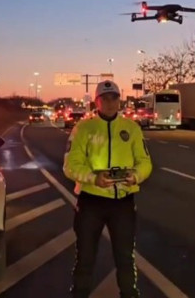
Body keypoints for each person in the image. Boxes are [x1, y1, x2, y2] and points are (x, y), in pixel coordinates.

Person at [63, 80, 153, 298]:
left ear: (119, 100)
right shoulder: (83, 128)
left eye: (114, 98)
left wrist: (135, 176)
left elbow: (145, 162)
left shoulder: (131, 128)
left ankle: (129, 294)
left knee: (125, 257)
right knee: (85, 256)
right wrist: (94, 178)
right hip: (91, 202)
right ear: (97, 102)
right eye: (105, 99)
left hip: (122, 203)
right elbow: (70, 165)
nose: (111, 103)